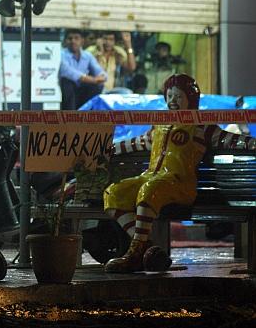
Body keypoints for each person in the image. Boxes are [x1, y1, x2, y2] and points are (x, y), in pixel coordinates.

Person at [103, 74, 255, 273]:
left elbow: (232, 140)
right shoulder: (159, 125)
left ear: (191, 99)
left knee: (149, 190)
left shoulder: (202, 126)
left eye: (178, 96)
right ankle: (146, 248)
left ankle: (135, 253)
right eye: (170, 95)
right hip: (151, 179)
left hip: (180, 184)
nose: (173, 100)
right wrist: (105, 150)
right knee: (113, 193)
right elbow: (136, 143)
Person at [58, 29, 107, 110]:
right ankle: (70, 116)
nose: (73, 41)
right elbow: (67, 71)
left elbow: (98, 70)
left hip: (82, 90)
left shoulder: (87, 55)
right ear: (65, 41)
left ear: (82, 41)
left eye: (76, 38)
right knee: (67, 82)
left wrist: (102, 76)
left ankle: (89, 114)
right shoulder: (61, 54)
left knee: (97, 86)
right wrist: (92, 79)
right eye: (70, 38)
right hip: (67, 92)